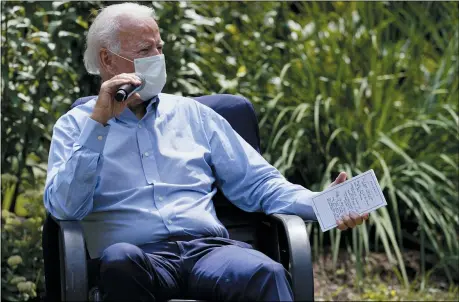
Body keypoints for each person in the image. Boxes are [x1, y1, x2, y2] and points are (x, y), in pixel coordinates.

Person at [43, 3, 369, 301]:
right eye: (145, 49)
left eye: (159, 47)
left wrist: (326, 204)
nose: (157, 57)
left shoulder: (193, 115)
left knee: (265, 273)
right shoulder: (77, 127)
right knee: (120, 262)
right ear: (107, 60)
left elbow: (259, 184)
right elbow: (65, 208)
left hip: (207, 252)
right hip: (137, 259)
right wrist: (98, 126)